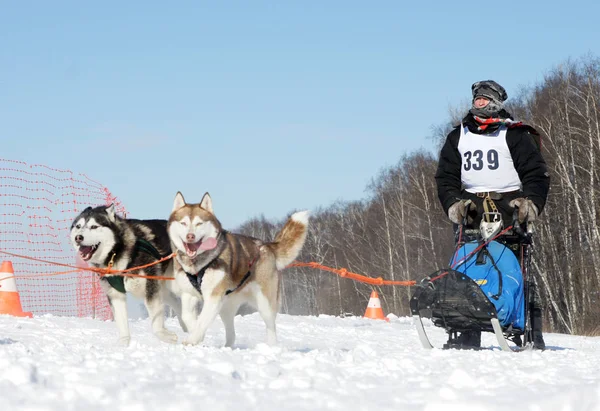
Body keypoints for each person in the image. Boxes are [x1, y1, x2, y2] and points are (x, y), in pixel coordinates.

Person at [434, 80, 550, 350]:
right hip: (471, 210)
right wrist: (453, 204)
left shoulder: (515, 134)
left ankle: (527, 328)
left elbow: (536, 174)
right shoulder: (458, 136)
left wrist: (531, 204)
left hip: (510, 209)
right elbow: (445, 178)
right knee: (467, 271)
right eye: (477, 97)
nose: (479, 101)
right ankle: (466, 330)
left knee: (514, 268)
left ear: (497, 102)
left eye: (485, 97)